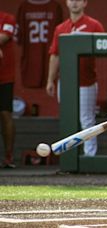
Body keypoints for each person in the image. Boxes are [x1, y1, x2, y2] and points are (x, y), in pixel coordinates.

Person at [46, 0, 104, 157]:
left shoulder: (94, 25)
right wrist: (50, 80)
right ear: (67, 3)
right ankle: (69, 157)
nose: (75, 3)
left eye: (79, 0)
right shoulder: (60, 28)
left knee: (86, 120)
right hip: (65, 82)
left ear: (85, 3)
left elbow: (103, 50)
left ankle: (89, 156)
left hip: (87, 82)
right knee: (68, 120)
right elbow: (55, 55)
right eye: (71, 0)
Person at [17, 0, 63, 88]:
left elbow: (18, 38)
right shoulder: (55, 6)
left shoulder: (24, 7)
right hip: (48, 63)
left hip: (31, 67)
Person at [0, 11, 17, 168]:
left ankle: (9, 156)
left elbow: (3, 37)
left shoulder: (7, 18)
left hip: (4, 76)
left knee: (5, 114)